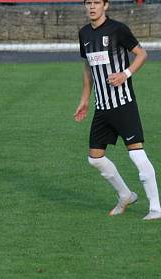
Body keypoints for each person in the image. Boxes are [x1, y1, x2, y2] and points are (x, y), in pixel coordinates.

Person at [74, 0, 160, 220]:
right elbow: (88, 67)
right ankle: (125, 195)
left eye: (96, 3)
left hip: (123, 104)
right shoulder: (84, 33)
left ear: (106, 5)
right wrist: (85, 99)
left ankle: (155, 208)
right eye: (88, 3)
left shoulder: (118, 29)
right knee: (95, 158)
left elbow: (141, 54)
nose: (92, 7)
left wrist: (125, 75)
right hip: (101, 107)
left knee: (136, 154)